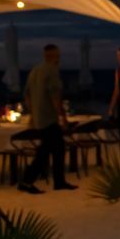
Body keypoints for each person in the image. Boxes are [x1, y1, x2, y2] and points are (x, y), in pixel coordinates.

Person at [18, 44, 73, 194]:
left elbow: (27, 95)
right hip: (49, 118)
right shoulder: (52, 71)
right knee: (45, 151)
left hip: (40, 117)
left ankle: (59, 181)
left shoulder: (35, 71)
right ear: (55, 56)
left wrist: (33, 113)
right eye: (58, 55)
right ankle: (27, 181)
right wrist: (63, 117)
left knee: (56, 148)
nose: (59, 58)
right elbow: (55, 97)